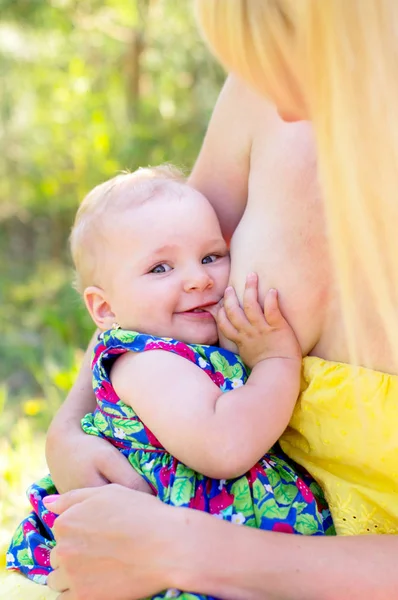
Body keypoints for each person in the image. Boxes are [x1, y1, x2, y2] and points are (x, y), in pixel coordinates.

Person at [5, 0, 398, 597]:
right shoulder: (265, 95)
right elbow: (138, 281)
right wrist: (68, 429)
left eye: (297, 62)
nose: (284, 106)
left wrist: (190, 550)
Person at [6, 166, 333, 598]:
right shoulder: (148, 363)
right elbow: (225, 446)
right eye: (161, 268)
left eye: (211, 257)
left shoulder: (181, 351)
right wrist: (276, 360)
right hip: (168, 567)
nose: (199, 278)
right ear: (104, 310)